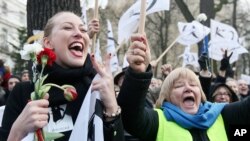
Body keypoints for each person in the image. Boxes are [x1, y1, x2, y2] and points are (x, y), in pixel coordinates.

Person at [0, 11, 124, 141]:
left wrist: (111, 107)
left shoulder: (98, 89)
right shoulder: (23, 93)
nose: (79, 33)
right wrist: (18, 131)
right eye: (67, 27)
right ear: (48, 43)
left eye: (83, 30)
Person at [118, 33, 250, 141]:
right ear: (167, 97)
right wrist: (138, 73)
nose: (188, 88)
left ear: (201, 94)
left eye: (193, 85)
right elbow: (130, 116)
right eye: (179, 86)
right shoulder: (157, 121)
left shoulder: (221, 115)